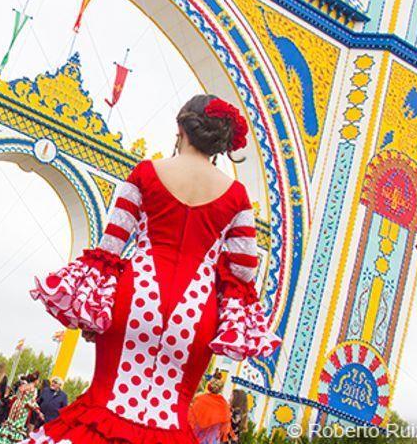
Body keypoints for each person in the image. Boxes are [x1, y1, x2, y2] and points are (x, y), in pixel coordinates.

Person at [28, 95, 281, 444]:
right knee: (170, 414)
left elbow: (112, 243)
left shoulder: (146, 173)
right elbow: (245, 270)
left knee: (107, 398)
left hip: (137, 296)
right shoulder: (236, 195)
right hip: (195, 312)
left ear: (181, 128)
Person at [0, 371, 42, 443]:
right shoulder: (34, 389)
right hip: (24, 408)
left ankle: (3, 440)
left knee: (10, 422)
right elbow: (31, 402)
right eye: (38, 380)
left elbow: (16, 396)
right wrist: (38, 411)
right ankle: (12, 441)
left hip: (16, 405)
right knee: (18, 425)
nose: (38, 382)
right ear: (36, 380)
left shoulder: (23, 386)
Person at [188, 374, 232, 444]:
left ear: (209, 386)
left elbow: (190, 418)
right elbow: (225, 429)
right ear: (221, 389)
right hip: (212, 439)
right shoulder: (224, 406)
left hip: (194, 436)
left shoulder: (199, 398)